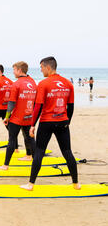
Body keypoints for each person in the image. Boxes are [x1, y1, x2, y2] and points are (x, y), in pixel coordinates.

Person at [21, 56, 79, 191]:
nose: (41, 70)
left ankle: (30, 184)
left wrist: (32, 125)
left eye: (41, 67)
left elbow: (38, 106)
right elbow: (71, 106)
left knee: (40, 152)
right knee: (67, 152)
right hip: (62, 122)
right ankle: (76, 184)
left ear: (48, 67)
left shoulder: (43, 84)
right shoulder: (68, 83)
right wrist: (67, 121)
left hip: (47, 122)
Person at [0, 62, 37, 169]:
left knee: (12, 140)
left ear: (19, 70)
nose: (13, 72)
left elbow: (11, 103)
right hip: (29, 117)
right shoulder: (33, 83)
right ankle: (34, 161)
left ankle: (5, 165)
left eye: (14, 70)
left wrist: (7, 116)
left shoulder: (16, 84)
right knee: (30, 139)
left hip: (16, 118)